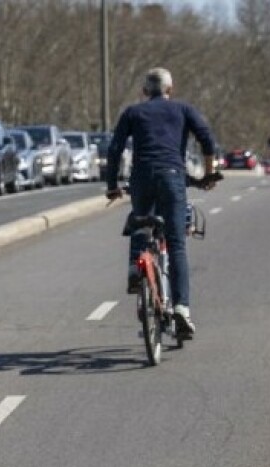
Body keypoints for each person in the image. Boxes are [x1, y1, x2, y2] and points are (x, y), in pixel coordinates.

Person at [105, 67, 218, 337]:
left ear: (145, 91)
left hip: (142, 178)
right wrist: (209, 173)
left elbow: (115, 149)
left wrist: (111, 186)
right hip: (172, 177)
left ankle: (135, 267)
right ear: (171, 89)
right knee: (176, 244)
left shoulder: (133, 112)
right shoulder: (183, 109)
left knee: (141, 223)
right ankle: (181, 309)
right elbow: (207, 139)